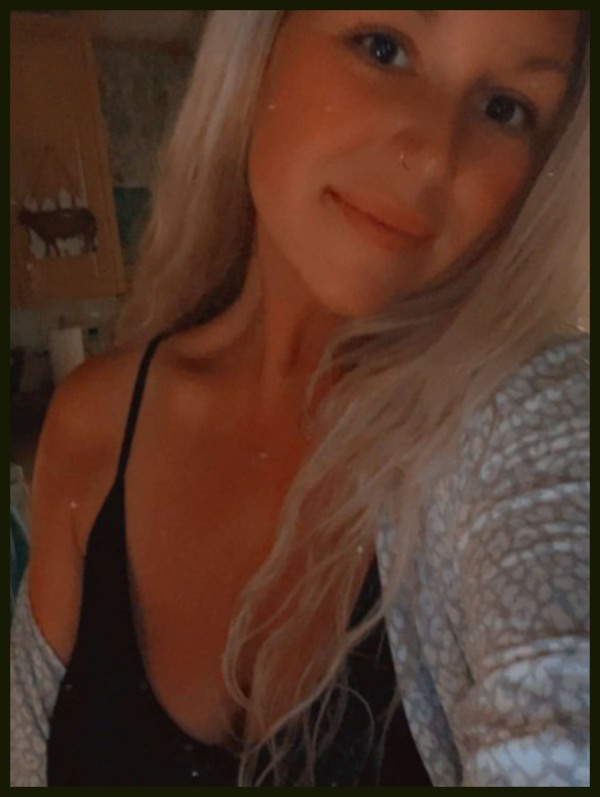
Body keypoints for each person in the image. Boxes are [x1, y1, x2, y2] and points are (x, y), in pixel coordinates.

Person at [11, 10, 589, 787]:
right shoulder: (95, 423)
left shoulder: (524, 426)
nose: (433, 154)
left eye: (504, 108)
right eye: (384, 48)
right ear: (259, 50)